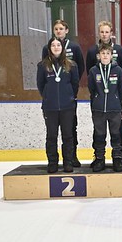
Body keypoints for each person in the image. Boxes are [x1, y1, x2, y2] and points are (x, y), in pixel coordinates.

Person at [86, 20, 122, 166]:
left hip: (114, 100)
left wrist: (118, 97)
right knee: (99, 131)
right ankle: (98, 157)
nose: (104, 34)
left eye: (107, 31)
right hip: (99, 100)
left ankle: (119, 156)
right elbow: (90, 77)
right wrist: (96, 97)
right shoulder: (93, 51)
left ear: (111, 33)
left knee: (117, 129)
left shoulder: (120, 50)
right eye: (102, 31)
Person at [41, 19, 84, 167]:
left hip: (67, 103)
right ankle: (53, 163)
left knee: (69, 134)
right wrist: (48, 95)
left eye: (61, 28)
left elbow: (76, 79)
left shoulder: (72, 59)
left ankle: (70, 160)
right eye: (56, 29)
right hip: (51, 105)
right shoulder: (44, 64)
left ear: (66, 30)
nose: (58, 31)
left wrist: (70, 94)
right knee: (51, 136)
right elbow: (42, 83)